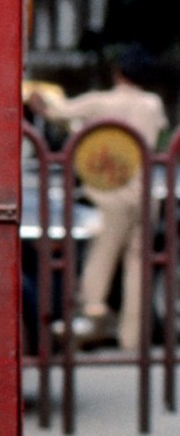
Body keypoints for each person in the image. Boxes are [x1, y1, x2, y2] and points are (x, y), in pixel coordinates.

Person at [28, 44, 169, 350]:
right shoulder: (152, 103)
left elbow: (58, 112)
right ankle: (134, 339)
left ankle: (90, 314)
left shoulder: (99, 102)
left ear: (117, 73)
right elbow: (157, 137)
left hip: (110, 191)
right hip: (143, 191)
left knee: (102, 255)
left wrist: (41, 103)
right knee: (138, 264)